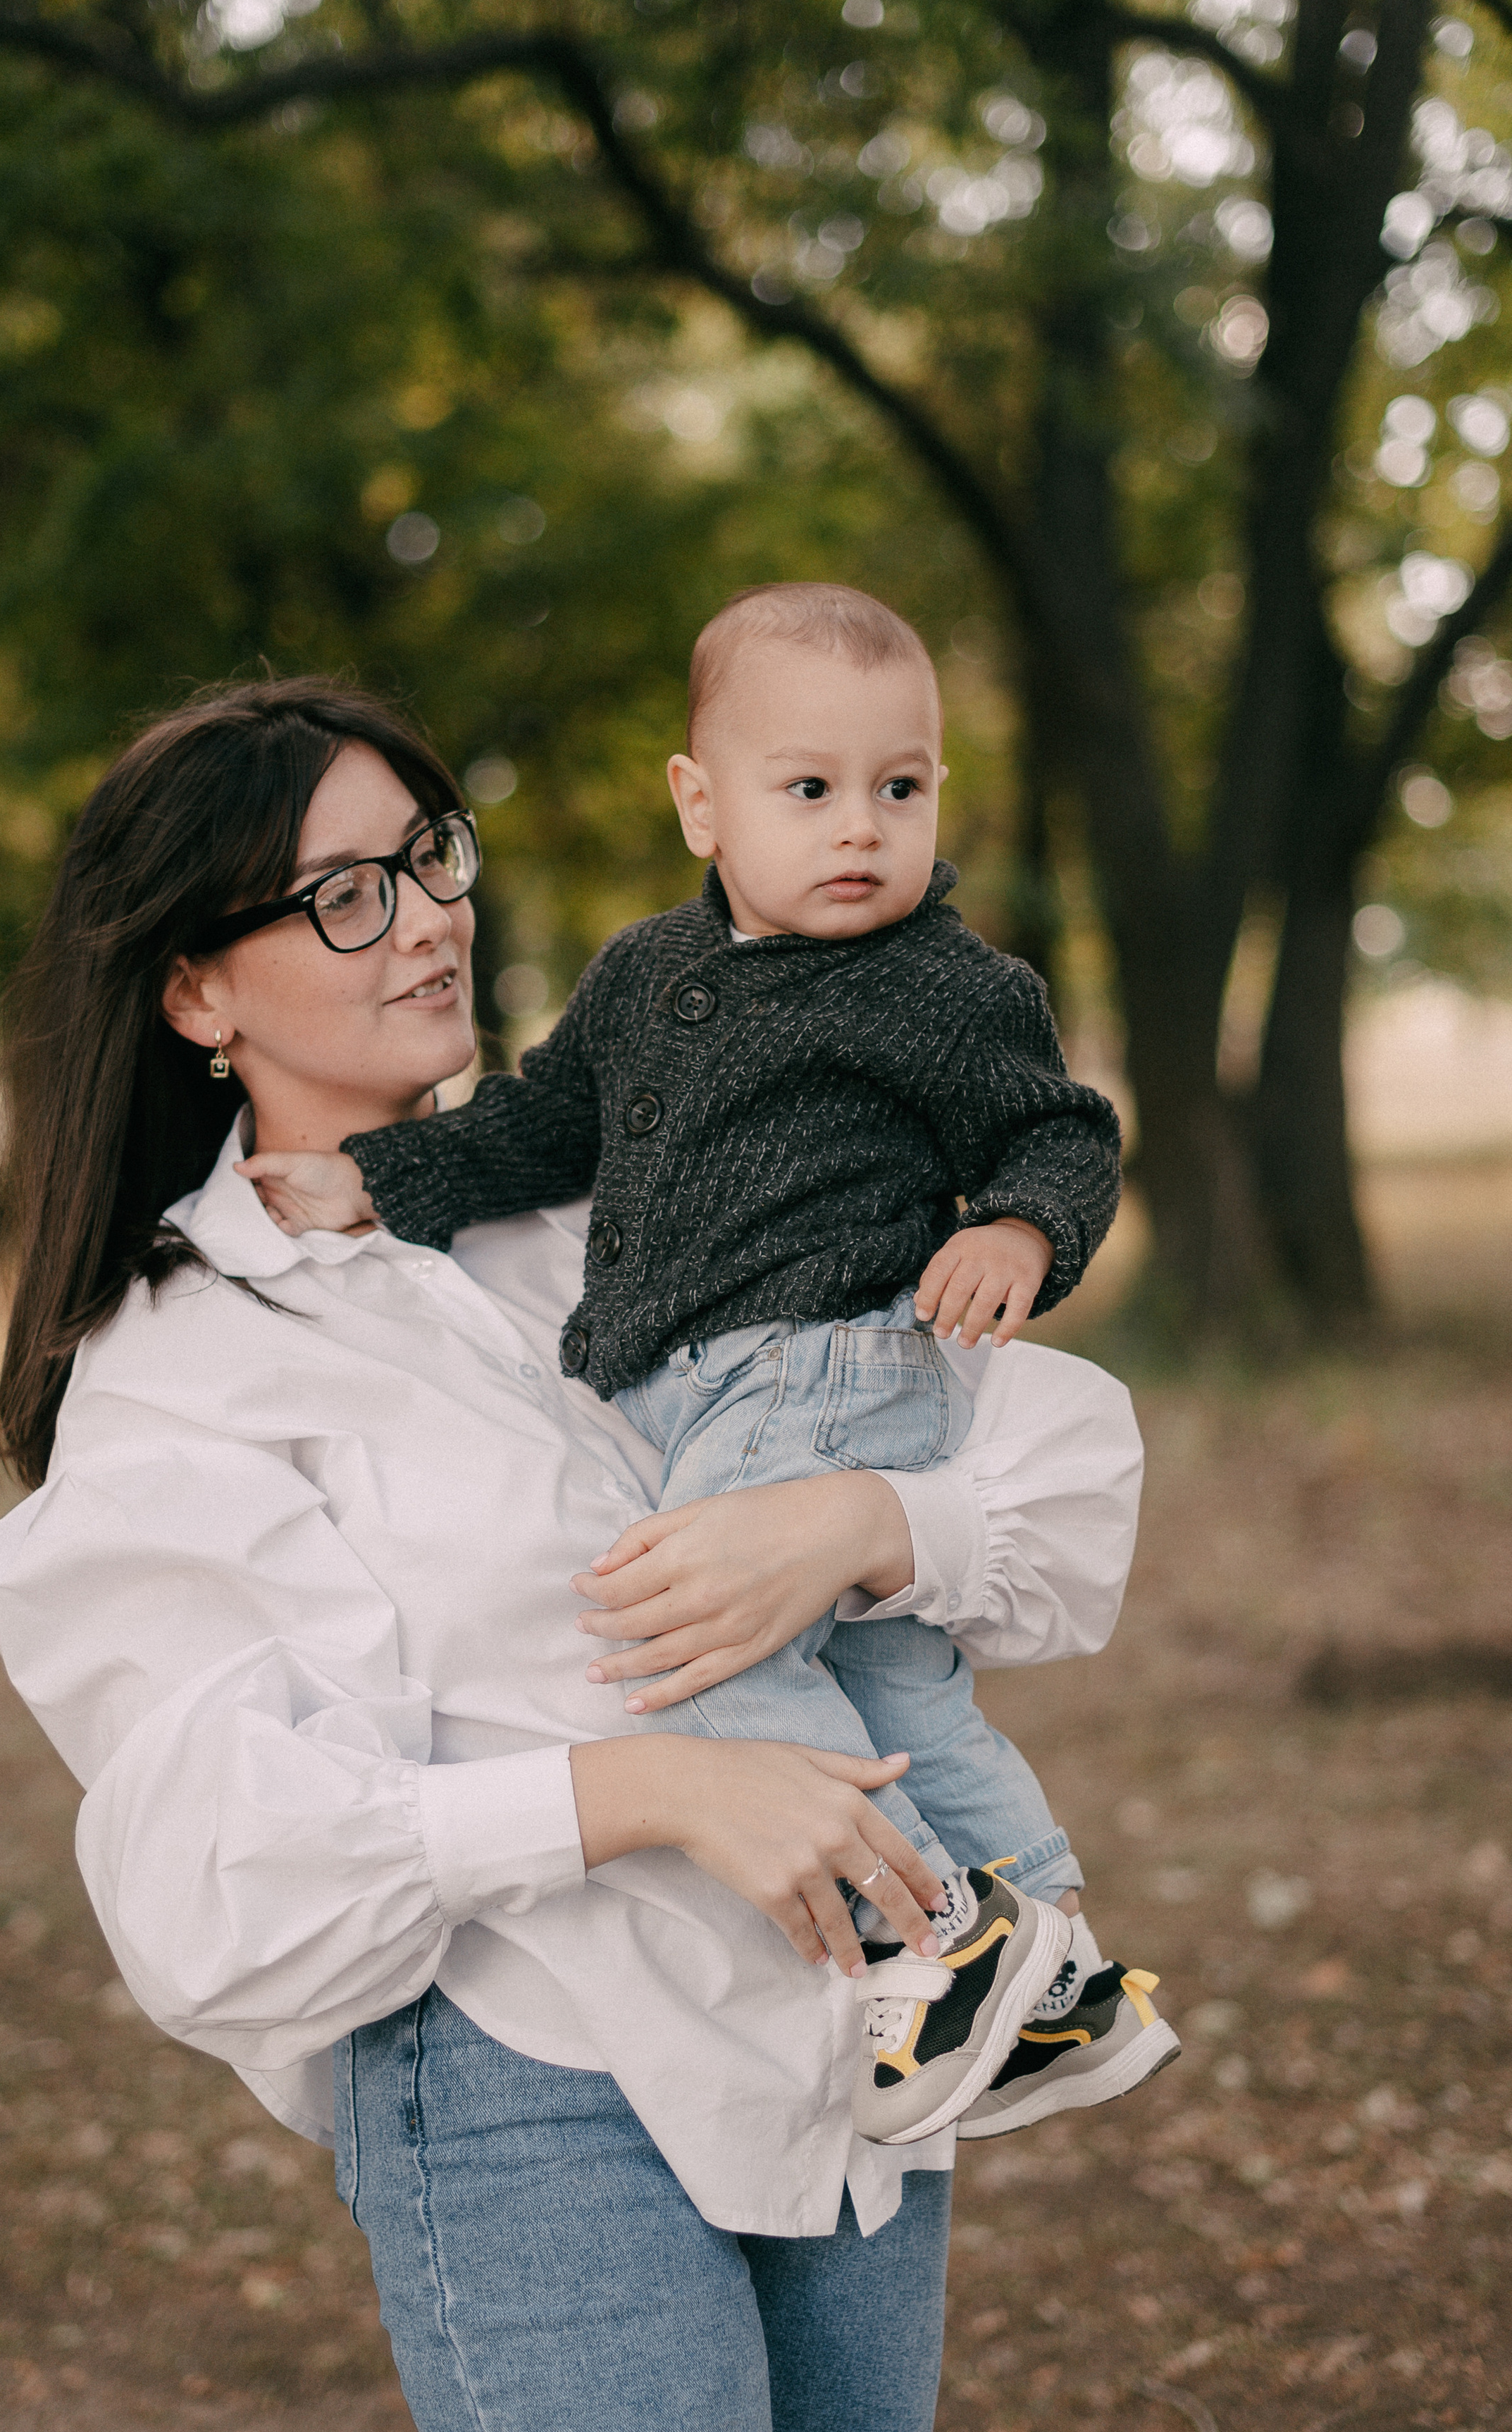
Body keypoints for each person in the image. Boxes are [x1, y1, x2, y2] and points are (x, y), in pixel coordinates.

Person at [0, 674, 1144, 2432]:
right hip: (535, 2076)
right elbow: (221, 1869)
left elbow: (1067, 1485)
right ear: (195, 992)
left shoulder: (643, 1192)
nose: (427, 919)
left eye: (429, 856)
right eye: (345, 894)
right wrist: (644, 1789)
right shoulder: (184, 1365)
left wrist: (866, 1526)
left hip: (857, 2046)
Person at [235, 590, 1177, 2150]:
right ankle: (1056, 1946)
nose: (860, 826)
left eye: (900, 786)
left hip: (824, 1363)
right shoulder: (639, 974)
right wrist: (372, 1181)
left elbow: (1059, 1131)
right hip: (702, 1384)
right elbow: (539, 1127)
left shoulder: (948, 986)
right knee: (893, 1686)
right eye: (808, 788)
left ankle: (941, 1942)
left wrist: (1022, 1225)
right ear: (701, 802)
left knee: (699, 1637)